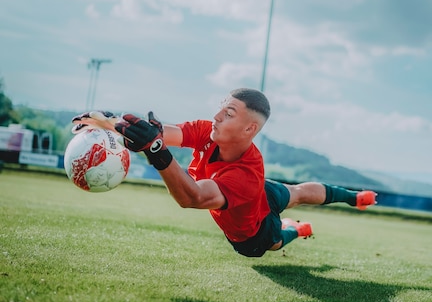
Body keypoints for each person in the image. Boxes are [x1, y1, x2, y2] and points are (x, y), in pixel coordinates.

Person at [72, 88, 377, 257]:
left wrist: (156, 152)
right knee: (295, 192)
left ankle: (299, 227)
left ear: (249, 128)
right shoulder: (209, 131)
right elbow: (160, 133)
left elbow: (191, 197)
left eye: (228, 114)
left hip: (254, 234)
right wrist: (106, 121)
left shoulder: (246, 174)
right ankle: (342, 204)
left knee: (277, 238)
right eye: (221, 108)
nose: (217, 116)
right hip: (256, 201)